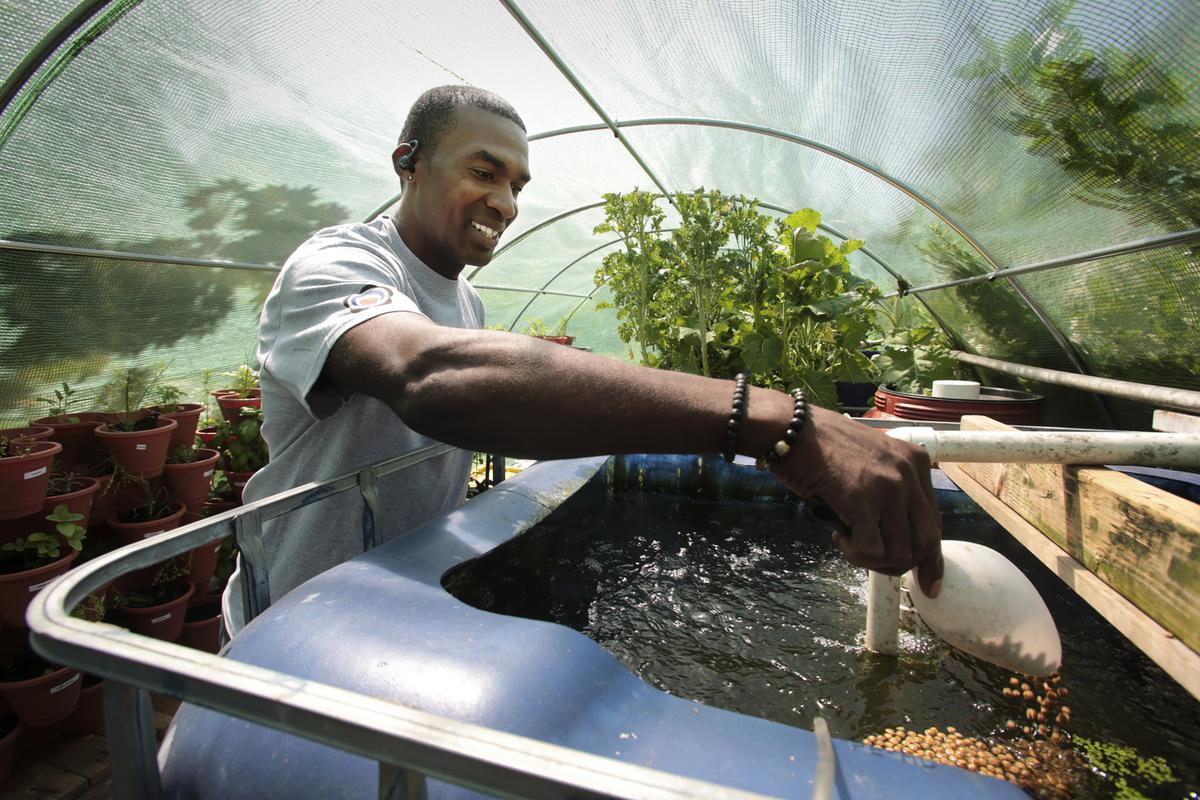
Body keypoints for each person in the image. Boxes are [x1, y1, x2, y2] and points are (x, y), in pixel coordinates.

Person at [222, 85, 942, 635]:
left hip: (393, 599)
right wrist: (772, 420)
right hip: (294, 618)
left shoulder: (464, 300)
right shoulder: (336, 262)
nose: (505, 203)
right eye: (484, 172)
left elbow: (512, 400)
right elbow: (427, 374)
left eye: (517, 186)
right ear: (408, 162)